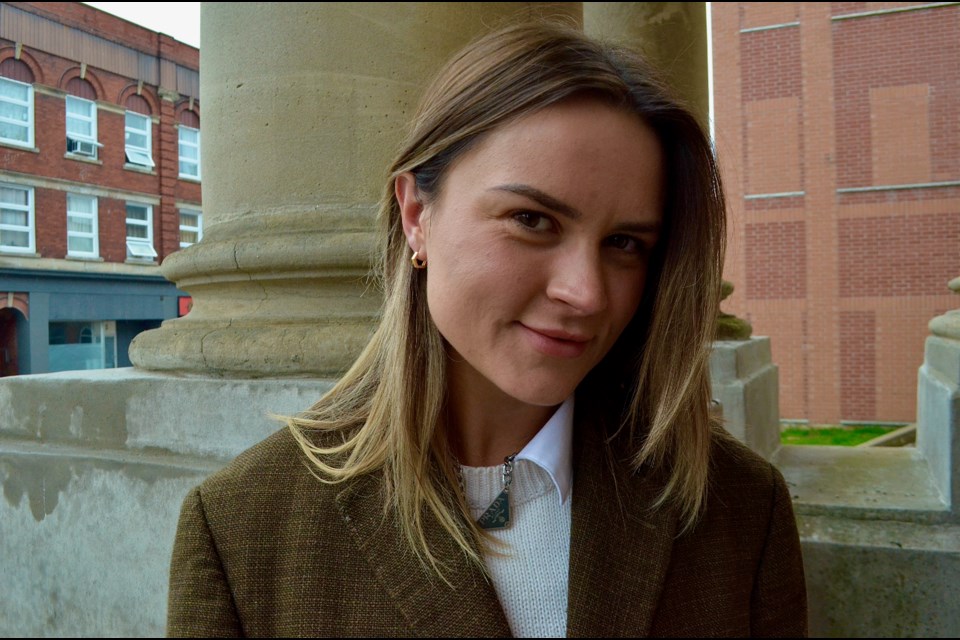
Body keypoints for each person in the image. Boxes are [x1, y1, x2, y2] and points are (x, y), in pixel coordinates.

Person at [167, 21, 807, 638]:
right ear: (417, 213)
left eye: (625, 243)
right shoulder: (243, 528)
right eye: (532, 219)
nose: (585, 292)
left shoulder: (738, 509)